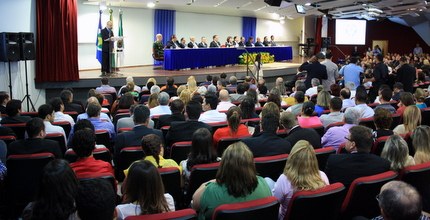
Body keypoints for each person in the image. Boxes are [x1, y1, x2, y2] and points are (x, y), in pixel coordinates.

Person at [192, 142, 272, 220]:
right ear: (251, 165)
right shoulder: (263, 183)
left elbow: (194, 203)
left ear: (224, 165)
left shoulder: (212, 191)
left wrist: (214, 181)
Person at [273, 140, 329, 219]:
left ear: (292, 157)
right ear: (313, 158)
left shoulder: (284, 179)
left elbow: (275, 203)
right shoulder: (323, 176)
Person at [325, 125, 390, 188]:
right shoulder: (384, 164)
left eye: (347, 138)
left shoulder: (334, 160)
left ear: (352, 144)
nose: (345, 141)